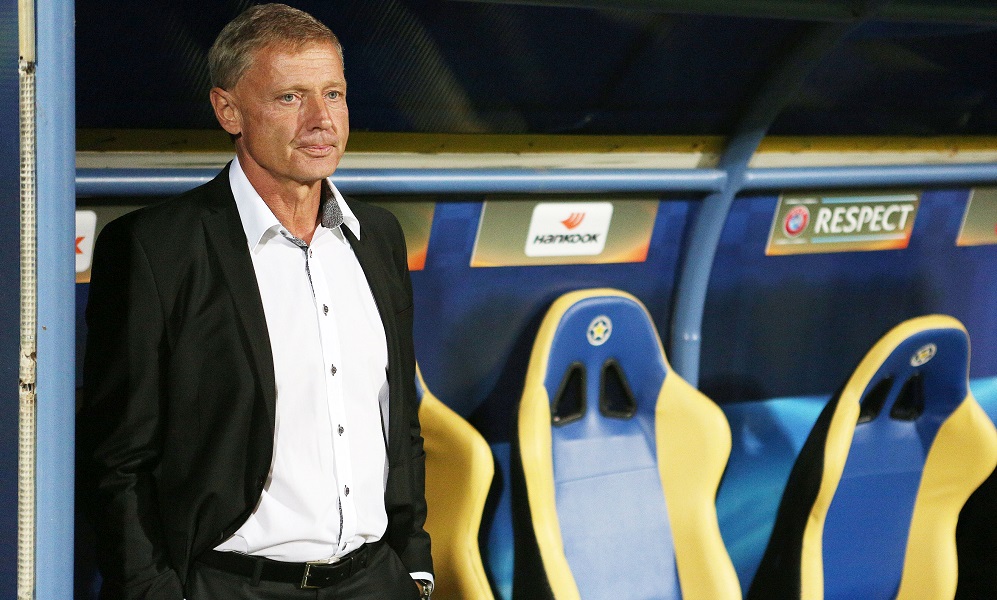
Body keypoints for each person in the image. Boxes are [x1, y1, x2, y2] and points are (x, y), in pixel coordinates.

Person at [76, 4, 433, 599]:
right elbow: (118, 460)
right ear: (228, 111)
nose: (322, 121)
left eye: (334, 95)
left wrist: (413, 565)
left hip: (376, 580)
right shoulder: (156, 249)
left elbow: (399, 423)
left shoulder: (379, 238)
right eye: (291, 98)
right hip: (231, 584)